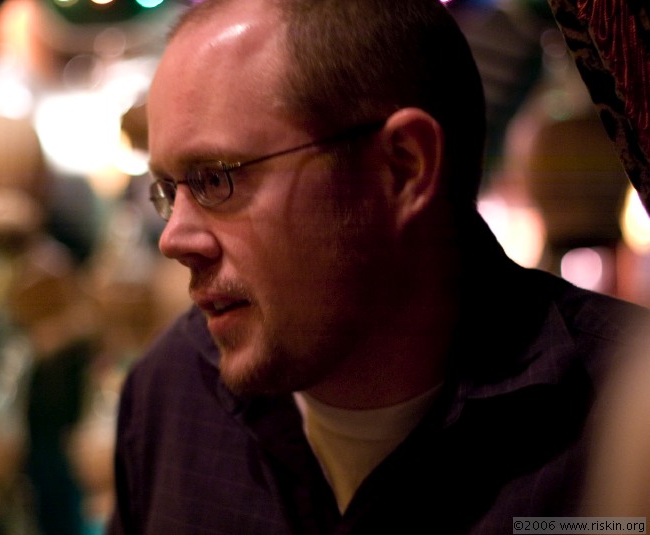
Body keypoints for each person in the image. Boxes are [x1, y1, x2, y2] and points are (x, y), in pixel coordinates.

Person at [108, 0, 650, 533]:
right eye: (168, 190)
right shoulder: (170, 391)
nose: (173, 240)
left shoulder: (621, 409)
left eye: (215, 179)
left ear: (403, 168)